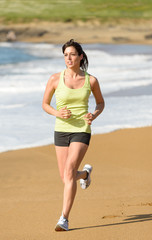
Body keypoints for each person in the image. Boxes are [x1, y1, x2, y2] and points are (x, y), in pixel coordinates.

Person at [42, 39, 104, 231]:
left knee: (69, 172)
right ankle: (85, 173)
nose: (68, 58)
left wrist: (93, 114)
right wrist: (57, 113)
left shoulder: (90, 80)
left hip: (81, 130)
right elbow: (45, 104)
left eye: (72, 54)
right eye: (65, 55)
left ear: (80, 57)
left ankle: (64, 219)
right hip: (61, 130)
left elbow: (100, 103)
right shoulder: (54, 79)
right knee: (65, 176)